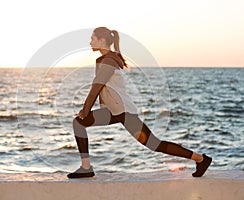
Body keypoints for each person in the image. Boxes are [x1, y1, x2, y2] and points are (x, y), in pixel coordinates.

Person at [67, 27, 212, 179]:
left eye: (93, 38)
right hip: (113, 111)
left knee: (154, 144)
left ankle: (201, 159)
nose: (90, 42)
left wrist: (85, 110)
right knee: (78, 123)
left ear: (102, 40)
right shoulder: (108, 58)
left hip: (122, 111)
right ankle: (86, 167)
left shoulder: (109, 60)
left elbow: (97, 87)